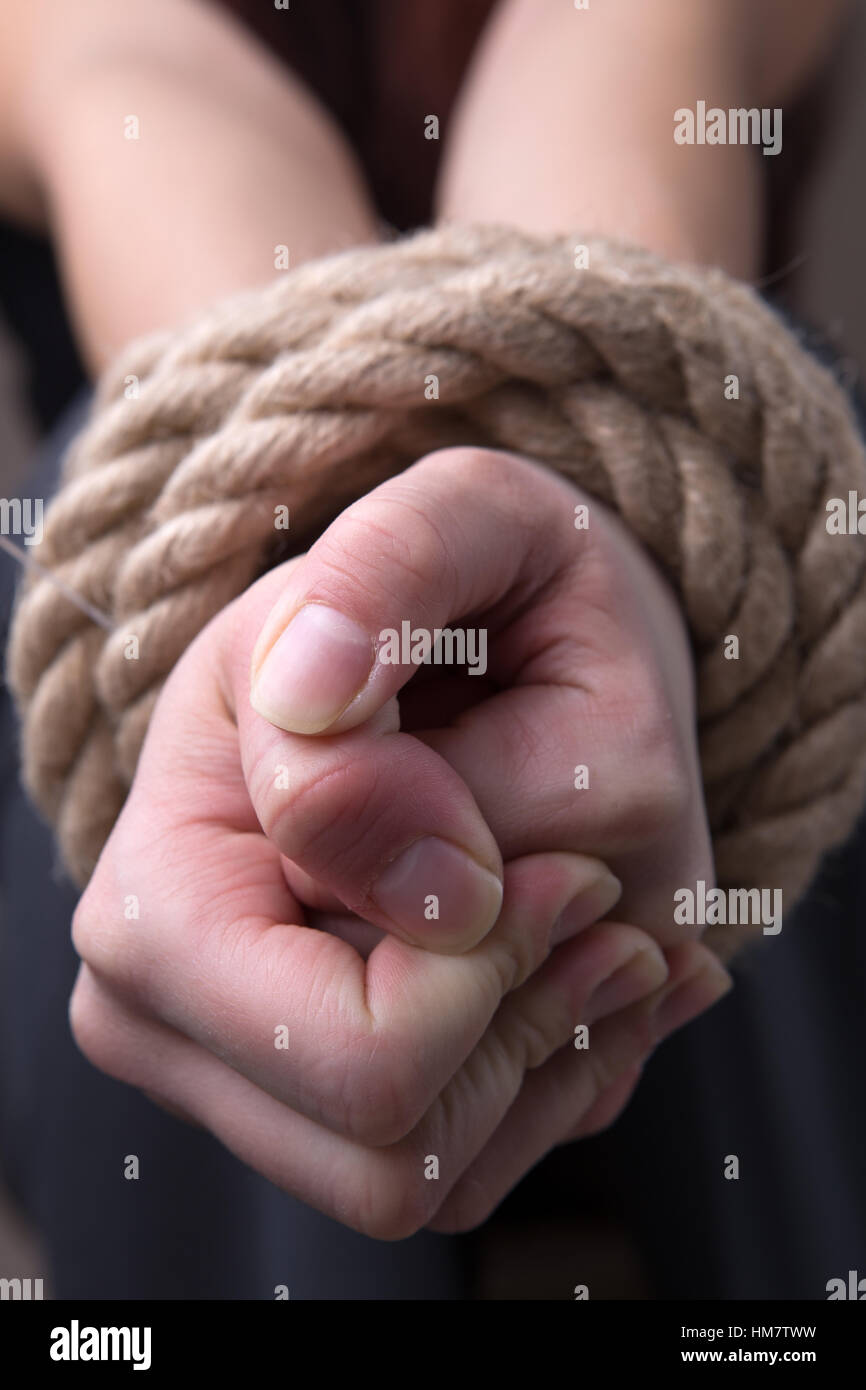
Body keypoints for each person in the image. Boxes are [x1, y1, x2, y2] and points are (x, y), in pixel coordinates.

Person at [0, 0, 861, 1298]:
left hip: (723, 705)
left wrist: (583, 533)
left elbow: (633, 46)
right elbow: (122, 80)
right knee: (184, 684)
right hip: (160, 610)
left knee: (780, 519)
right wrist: (300, 586)